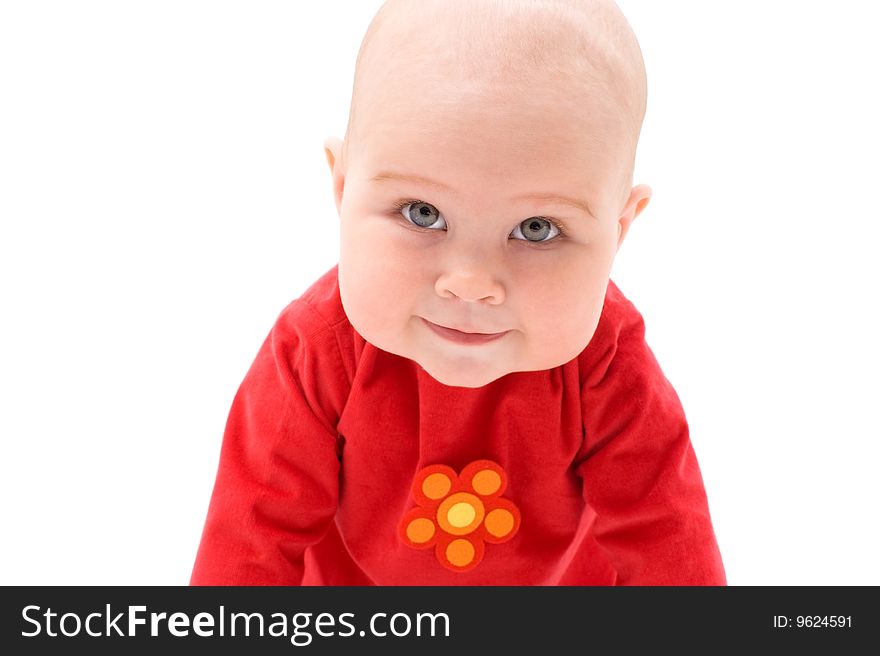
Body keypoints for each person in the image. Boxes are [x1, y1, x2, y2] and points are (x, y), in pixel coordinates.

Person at [190, 0, 726, 585]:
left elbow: (671, 547)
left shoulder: (608, 365)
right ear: (343, 189)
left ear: (618, 230)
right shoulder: (315, 352)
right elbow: (248, 545)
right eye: (422, 214)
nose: (470, 283)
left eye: (536, 229)